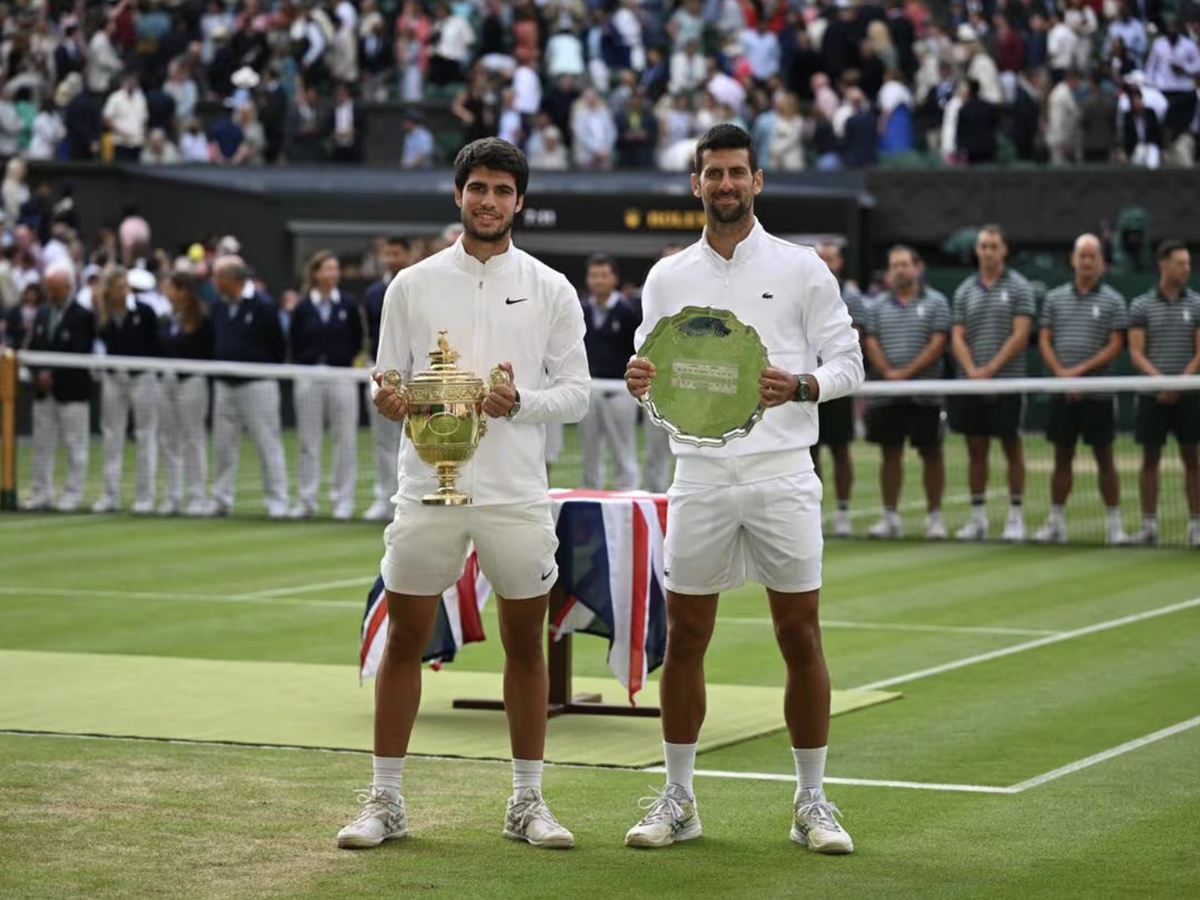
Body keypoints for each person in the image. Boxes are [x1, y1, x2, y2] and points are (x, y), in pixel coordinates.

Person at [336, 137, 590, 851]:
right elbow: (388, 378)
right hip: (426, 487)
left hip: (515, 491)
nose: (489, 201)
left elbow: (577, 394)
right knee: (405, 640)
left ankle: (527, 801)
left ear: (520, 201)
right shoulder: (411, 285)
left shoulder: (551, 287)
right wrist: (388, 401)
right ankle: (385, 800)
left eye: (502, 190)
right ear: (458, 194)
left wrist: (521, 402)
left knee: (526, 645)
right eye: (478, 187)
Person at [623, 124, 862, 854]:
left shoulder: (803, 267)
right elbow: (653, 370)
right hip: (697, 475)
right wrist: (639, 379)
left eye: (736, 173)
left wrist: (804, 385)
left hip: (782, 472)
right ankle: (679, 799)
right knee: (686, 637)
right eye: (713, 173)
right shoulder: (666, 276)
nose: (724, 184)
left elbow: (849, 362)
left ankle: (811, 802)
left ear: (757, 180)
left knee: (800, 634)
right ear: (695, 183)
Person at [1034, 234, 1129, 545]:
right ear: (1073, 260)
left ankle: (1114, 525)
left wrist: (1078, 373)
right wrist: (1062, 375)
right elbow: (1045, 339)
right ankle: (1056, 522)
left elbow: (1115, 345)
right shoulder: (1054, 298)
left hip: (1097, 394)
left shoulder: (1114, 300)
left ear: (1101, 262)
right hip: (1063, 393)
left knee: (1105, 458)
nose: (1087, 262)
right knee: (1062, 457)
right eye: (1082, 256)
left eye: (1092, 256)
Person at [949, 225, 1036, 542]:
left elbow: (1020, 335)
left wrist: (990, 370)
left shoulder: (1020, 287)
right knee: (976, 450)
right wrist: (974, 371)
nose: (987, 251)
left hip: (1008, 384)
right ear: (977, 251)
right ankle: (977, 519)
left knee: (1012, 447)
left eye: (993, 246)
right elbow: (957, 336)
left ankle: (1015, 517)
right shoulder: (964, 291)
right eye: (983, 246)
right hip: (972, 385)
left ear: (1004, 250)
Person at [862, 245, 952, 539]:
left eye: (905, 264)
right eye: (895, 266)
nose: (900, 270)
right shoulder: (876, 306)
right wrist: (889, 373)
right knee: (890, 454)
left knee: (931, 453)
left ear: (917, 267)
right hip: (887, 394)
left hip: (925, 394)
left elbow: (938, 344)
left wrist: (906, 374)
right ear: (889, 272)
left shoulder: (937, 302)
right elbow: (870, 342)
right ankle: (890, 517)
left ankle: (935, 519)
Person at [1127, 239, 1200, 547]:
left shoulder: (1197, 304)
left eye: (1188, 263)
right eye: (1180, 263)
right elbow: (1136, 351)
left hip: (1189, 393)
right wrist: (1160, 382)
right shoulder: (1140, 305)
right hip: (1151, 395)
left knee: (1192, 459)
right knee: (1150, 459)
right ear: (1163, 265)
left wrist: (1180, 382)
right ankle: (1148, 526)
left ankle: (1196, 527)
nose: (1186, 269)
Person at [209, 255, 290, 518]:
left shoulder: (263, 305)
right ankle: (221, 500)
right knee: (222, 447)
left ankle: (277, 502)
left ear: (231, 279)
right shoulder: (218, 307)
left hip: (258, 386)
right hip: (224, 385)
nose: (213, 282)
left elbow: (278, 346)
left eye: (217, 277)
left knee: (267, 444)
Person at [289, 250, 363, 520]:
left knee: (344, 440)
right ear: (315, 273)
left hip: (342, 376)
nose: (333, 274)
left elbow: (356, 340)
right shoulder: (302, 307)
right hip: (309, 377)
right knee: (308, 442)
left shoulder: (348, 305)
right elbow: (295, 341)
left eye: (335, 269)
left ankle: (343, 502)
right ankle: (306, 501)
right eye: (328, 269)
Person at [23, 264, 94, 512]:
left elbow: (79, 351)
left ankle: (73, 495)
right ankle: (41, 493)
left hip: (72, 392)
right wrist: (38, 374)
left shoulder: (83, 316)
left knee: (75, 445)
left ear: (68, 287)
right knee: (42, 445)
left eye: (55, 289)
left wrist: (52, 374)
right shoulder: (42, 313)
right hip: (44, 393)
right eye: (48, 288)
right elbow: (32, 348)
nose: (51, 293)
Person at [93, 264, 161, 514]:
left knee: (145, 435)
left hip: (143, 378)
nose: (123, 292)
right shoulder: (102, 316)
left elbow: (155, 345)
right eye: (118, 288)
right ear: (109, 290)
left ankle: (145, 497)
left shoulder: (145, 312)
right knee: (112, 435)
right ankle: (110, 495)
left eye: (125, 287)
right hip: (113, 379)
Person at [812, 242, 865, 537]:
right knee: (811, 451)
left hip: (838, 383)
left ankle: (843, 511)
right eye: (821, 257)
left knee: (840, 449)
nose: (825, 262)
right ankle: (815, 512)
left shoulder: (851, 295)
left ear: (840, 262)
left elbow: (857, 338)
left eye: (830, 258)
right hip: (809, 382)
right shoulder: (804, 290)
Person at [578, 253, 640, 490]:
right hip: (590, 386)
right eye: (594, 275)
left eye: (604, 275)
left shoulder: (628, 311)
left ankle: (628, 494)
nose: (598, 280)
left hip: (620, 388)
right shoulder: (581, 310)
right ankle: (590, 495)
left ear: (614, 278)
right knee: (589, 450)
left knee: (623, 448)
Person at [360, 236, 411, 522]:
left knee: (417, 440)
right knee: (382, 440)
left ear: (408, 255)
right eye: (387, 254)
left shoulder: (419, 285)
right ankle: (384, 499)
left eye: (396, 253)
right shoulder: (372, 293)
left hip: (415, 375)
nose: (391, 259)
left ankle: (410, 499)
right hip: (381, 374)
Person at [157, 272, 215, 516]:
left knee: (193, 439)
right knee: (168, 440)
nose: (165, 290)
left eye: (169, 286)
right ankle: (172, 497)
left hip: (192, 381)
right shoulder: (164, 319)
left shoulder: (202, 320)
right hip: (165, 382)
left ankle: (196, 497)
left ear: (182, 291)